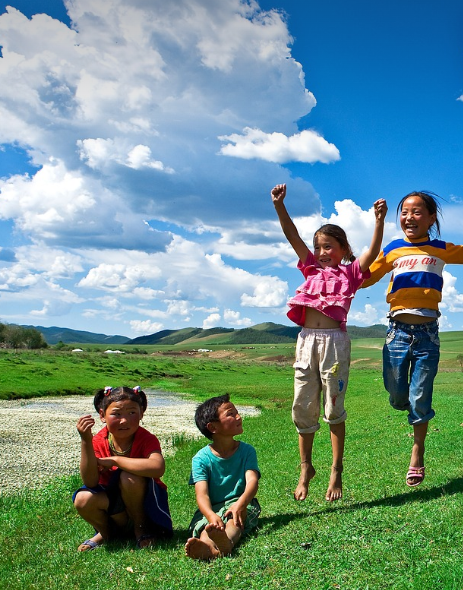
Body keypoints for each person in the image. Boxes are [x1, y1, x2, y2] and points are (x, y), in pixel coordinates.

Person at [363, 191, 463, 487]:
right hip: (397, 331)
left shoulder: (439, 248)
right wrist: (344, 270)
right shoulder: (393, 249)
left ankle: (417, 452)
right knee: (396, 392)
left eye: (417, 212)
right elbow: (367, 276)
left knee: (420, 396)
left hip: (428, 334)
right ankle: (409, 406)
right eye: (404, 212)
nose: (409, 217)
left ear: (432, 218)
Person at [272, 183, 387, 501]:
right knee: (302, 406)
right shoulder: (309, 268)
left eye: (329, 247)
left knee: (333, 407)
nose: (323, 253)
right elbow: (292, 236)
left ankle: (336, 471)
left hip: (334, 343)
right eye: (319, 247)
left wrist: (379, 220)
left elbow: (372, 252)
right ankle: (305, 467)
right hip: (306, 341)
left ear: (343, 249)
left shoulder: (350, 273)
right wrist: (280, 206)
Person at [73, 386, 173, 552]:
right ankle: (107, 533)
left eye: (132, 413)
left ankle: (140, 528)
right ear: (102, 415)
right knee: (82, 499)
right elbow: (90, 481)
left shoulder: (146, 438)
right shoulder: (98, 441)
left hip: (143, 501)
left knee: (129, 477)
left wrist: (116, 460)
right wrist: (86, 441)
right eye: (116, 414)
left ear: (141, 413)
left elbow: (158, 468)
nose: (124, 420)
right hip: (113, 503)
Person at [185, 394, 260, 560]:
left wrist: (240, 504)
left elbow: (252, 482)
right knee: (209, 527)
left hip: (240, 502)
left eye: (237, 412)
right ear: (213, 427)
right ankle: (208, 546)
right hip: (211, 508)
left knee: (234, 520)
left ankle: (226, 544)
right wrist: (211, 515)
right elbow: (202, 494)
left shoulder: (247, 451)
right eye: (230, 414)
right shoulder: (200, 459)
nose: (238, 416)